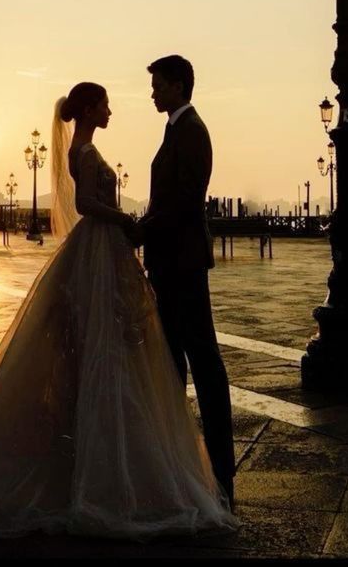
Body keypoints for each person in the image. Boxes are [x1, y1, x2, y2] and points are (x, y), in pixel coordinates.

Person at [0, 81, 237, 541]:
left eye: (153, 87)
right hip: (105, 247)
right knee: (114, 350)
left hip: (111, 251)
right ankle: (132, 457)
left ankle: (143, 451)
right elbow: (88, 204)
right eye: (106, 103)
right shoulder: (88, 151)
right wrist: (128, 221)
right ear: (90, 108)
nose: (115, 107)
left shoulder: (102, 144)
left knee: (117, 350)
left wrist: (135, 226)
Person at [131, 55, 236, 509]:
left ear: (177, 86)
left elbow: (183, 203)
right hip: (172, 262)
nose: (152, 92)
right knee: (174, 363)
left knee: (203, 364)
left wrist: (140, 229)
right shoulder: (178, 128)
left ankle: (220, 473)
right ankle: (181, 469)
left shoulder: (191, 131)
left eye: (157, 85)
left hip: (182, 263)